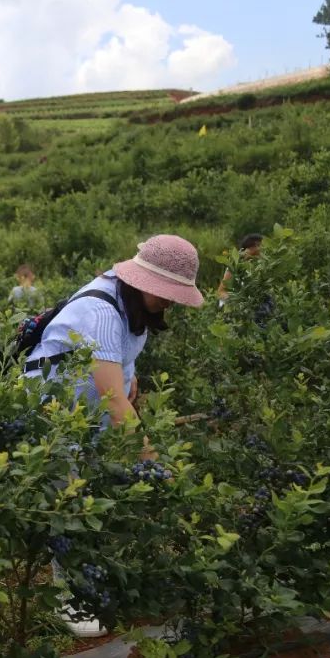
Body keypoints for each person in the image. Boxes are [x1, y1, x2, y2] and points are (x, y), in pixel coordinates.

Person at [23, 234, 204, 637]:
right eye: (165, 293)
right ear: (142, 281)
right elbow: (114, 403)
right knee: (68, 502)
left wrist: (129, 374)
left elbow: (114, 365)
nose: (169, 301)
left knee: (90, 497)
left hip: (82, 419)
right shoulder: (101, 311)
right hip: (52, 420)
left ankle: (86, 583)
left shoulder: (128, 304)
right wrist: (153, 461)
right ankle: (69, 599)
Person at [217, 233, 263, 303]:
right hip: (237, 305)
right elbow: (221, 292)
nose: (260, 249)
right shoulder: (235, 266)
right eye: (257, 246)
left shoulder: (263, 266)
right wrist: (235, 301)